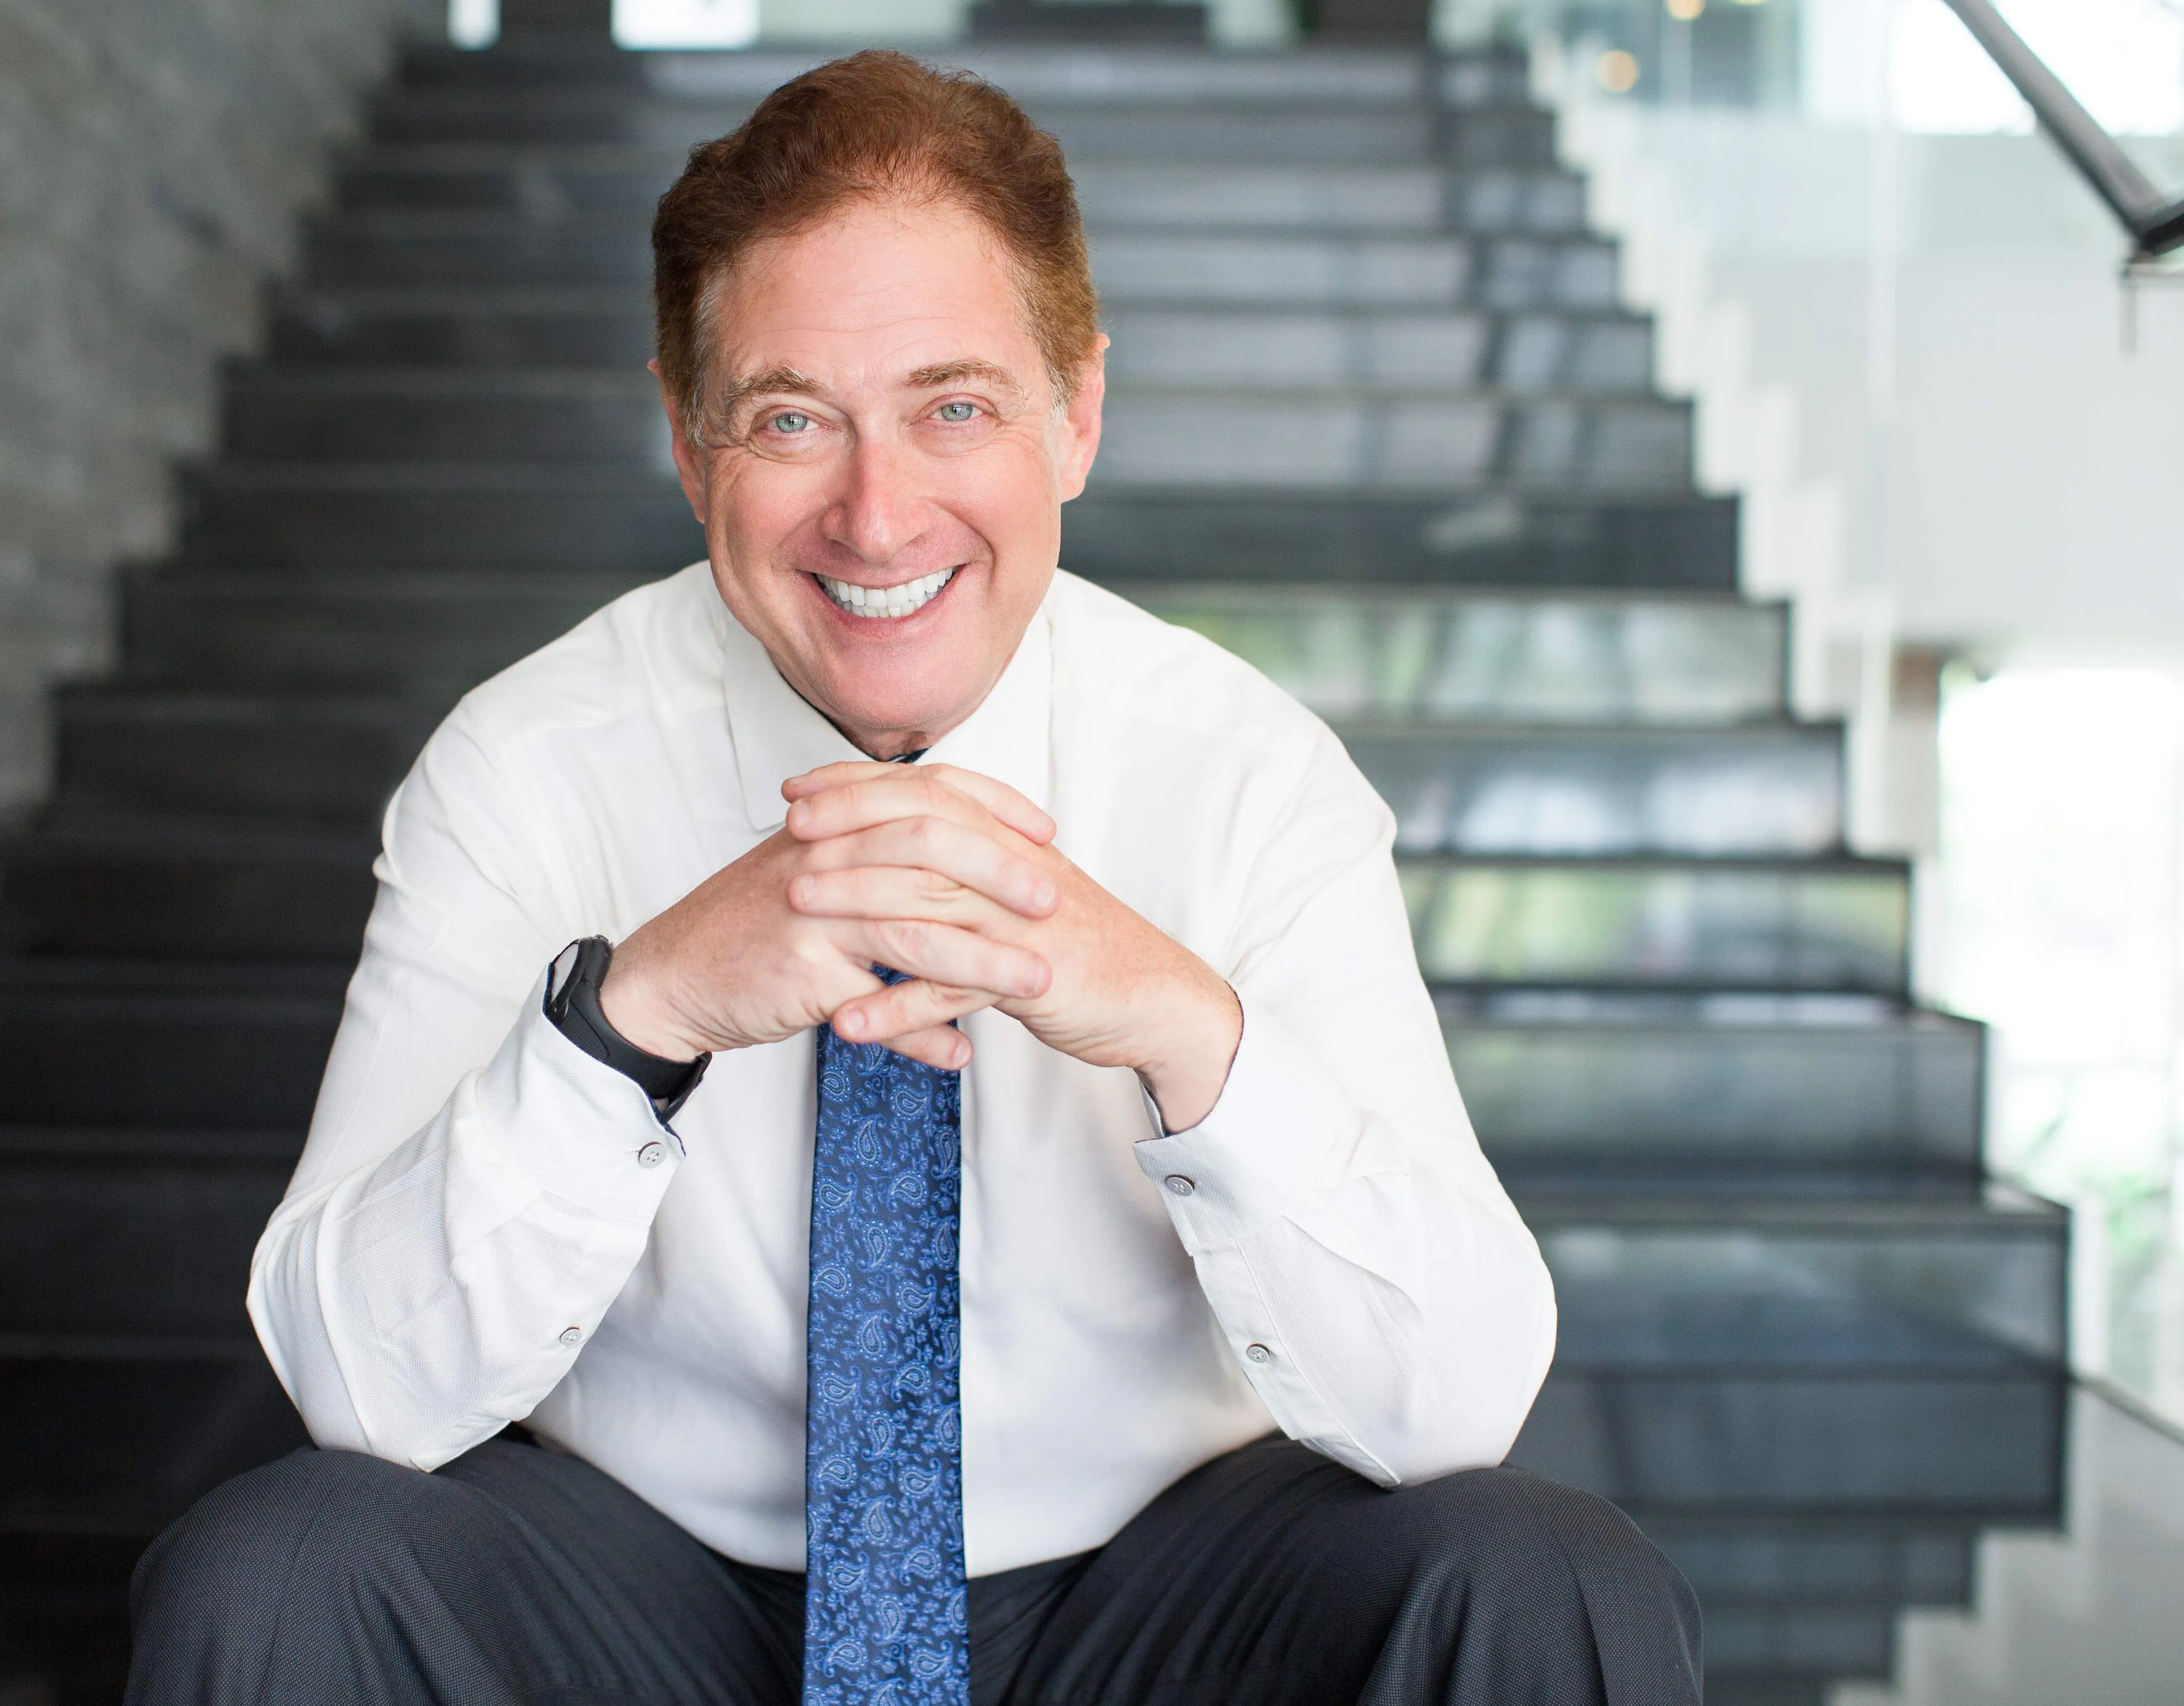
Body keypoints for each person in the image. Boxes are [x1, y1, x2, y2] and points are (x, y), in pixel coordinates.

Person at [126, 49, 1701, 1706]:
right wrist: (632, 1013)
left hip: (1159, 1586)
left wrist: (1176, 1025)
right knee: (272, 1568)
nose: (877, 518)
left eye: (955, 406)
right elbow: (353, 1392)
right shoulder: (527, 766)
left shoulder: (1249, 775)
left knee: (1551, 1582)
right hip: (653, 1583)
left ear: (1077, 416)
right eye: (791, 419)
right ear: (686, 443)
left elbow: (1451, 1408)